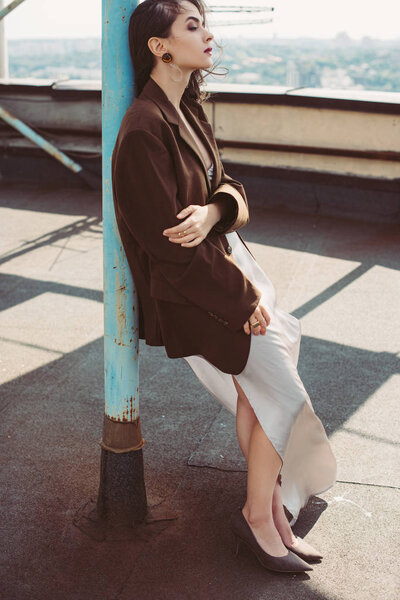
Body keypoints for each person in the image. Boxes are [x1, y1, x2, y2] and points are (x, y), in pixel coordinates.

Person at [112, 0, 337, 574]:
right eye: (192, 26)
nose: (208, 34)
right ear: (159, 46)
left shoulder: (185, 109)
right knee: (280, 396)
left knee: (260, 392)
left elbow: (229, 186)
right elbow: (167, 248)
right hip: (199, 298)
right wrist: (244, 304)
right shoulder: (143, 128)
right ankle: (258, 519)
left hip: (220, 280)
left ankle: (271, 516)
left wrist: (213, 213)